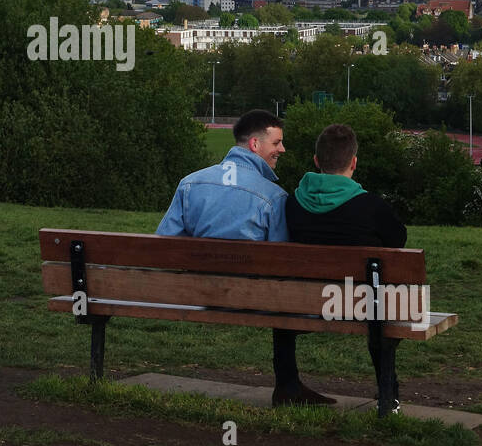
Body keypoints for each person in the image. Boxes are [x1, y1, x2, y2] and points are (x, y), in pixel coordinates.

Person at [156, 110, 334, 407]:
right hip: (253, 298)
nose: (282, 149)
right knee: (285, 293)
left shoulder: (190, 183)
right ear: (254, 145)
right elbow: (281, 265)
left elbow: (163, 245)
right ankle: (288, 385)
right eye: (277, 142)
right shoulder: (274, 196)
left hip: (198, 293)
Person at [284, 123, 408, 413]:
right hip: (362, 305)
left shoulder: (293, 203)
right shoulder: (371, 207)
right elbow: (398, 240)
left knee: (285, 294)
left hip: (298, 301)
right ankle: (388, 394)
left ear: (316, 161)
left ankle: (286, 383)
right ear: (354, 162)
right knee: (384, 306)